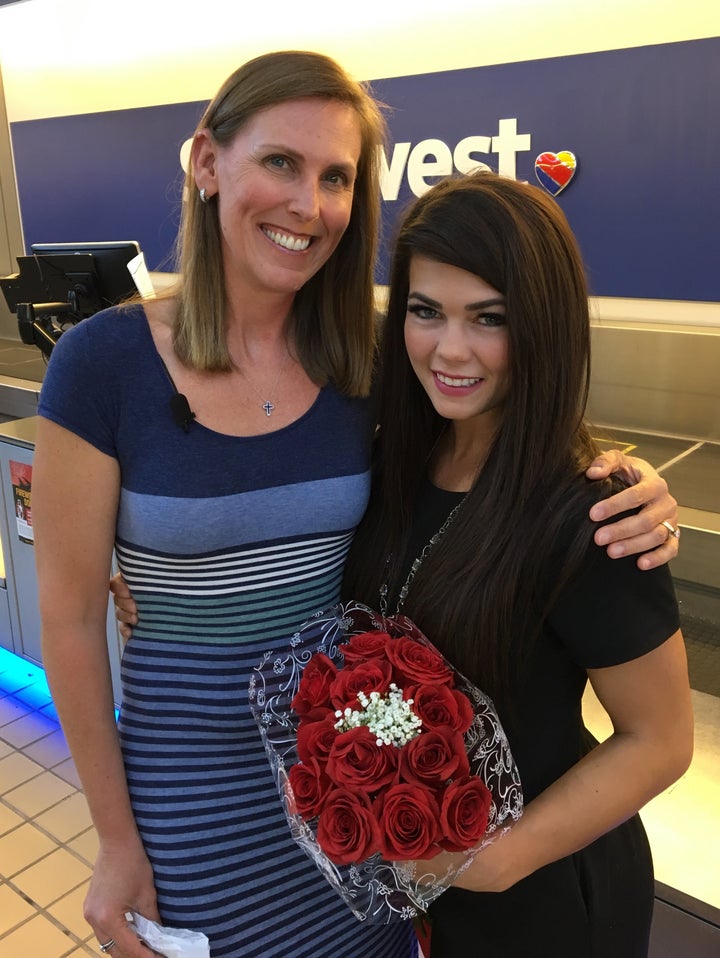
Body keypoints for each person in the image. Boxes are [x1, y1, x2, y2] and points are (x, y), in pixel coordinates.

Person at [33, 50, 678, 958]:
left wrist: (627, 483)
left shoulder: (364, 369)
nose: (309, 204)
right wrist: (112, 837)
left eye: (337, 176)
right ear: (208, 163)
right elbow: (65, 620)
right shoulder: (104, 366)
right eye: (281, 163)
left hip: (367, 803)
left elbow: (502, 433)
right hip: (192, 801)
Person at [341, 171, 693, 957]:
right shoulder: (396, 463)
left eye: (488, 319)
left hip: (546, 895)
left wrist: (498, 860)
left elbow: (662, 738)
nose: (450, 349)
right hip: (428, 883)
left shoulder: (594, 512)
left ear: (542, 326)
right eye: (426, 312)